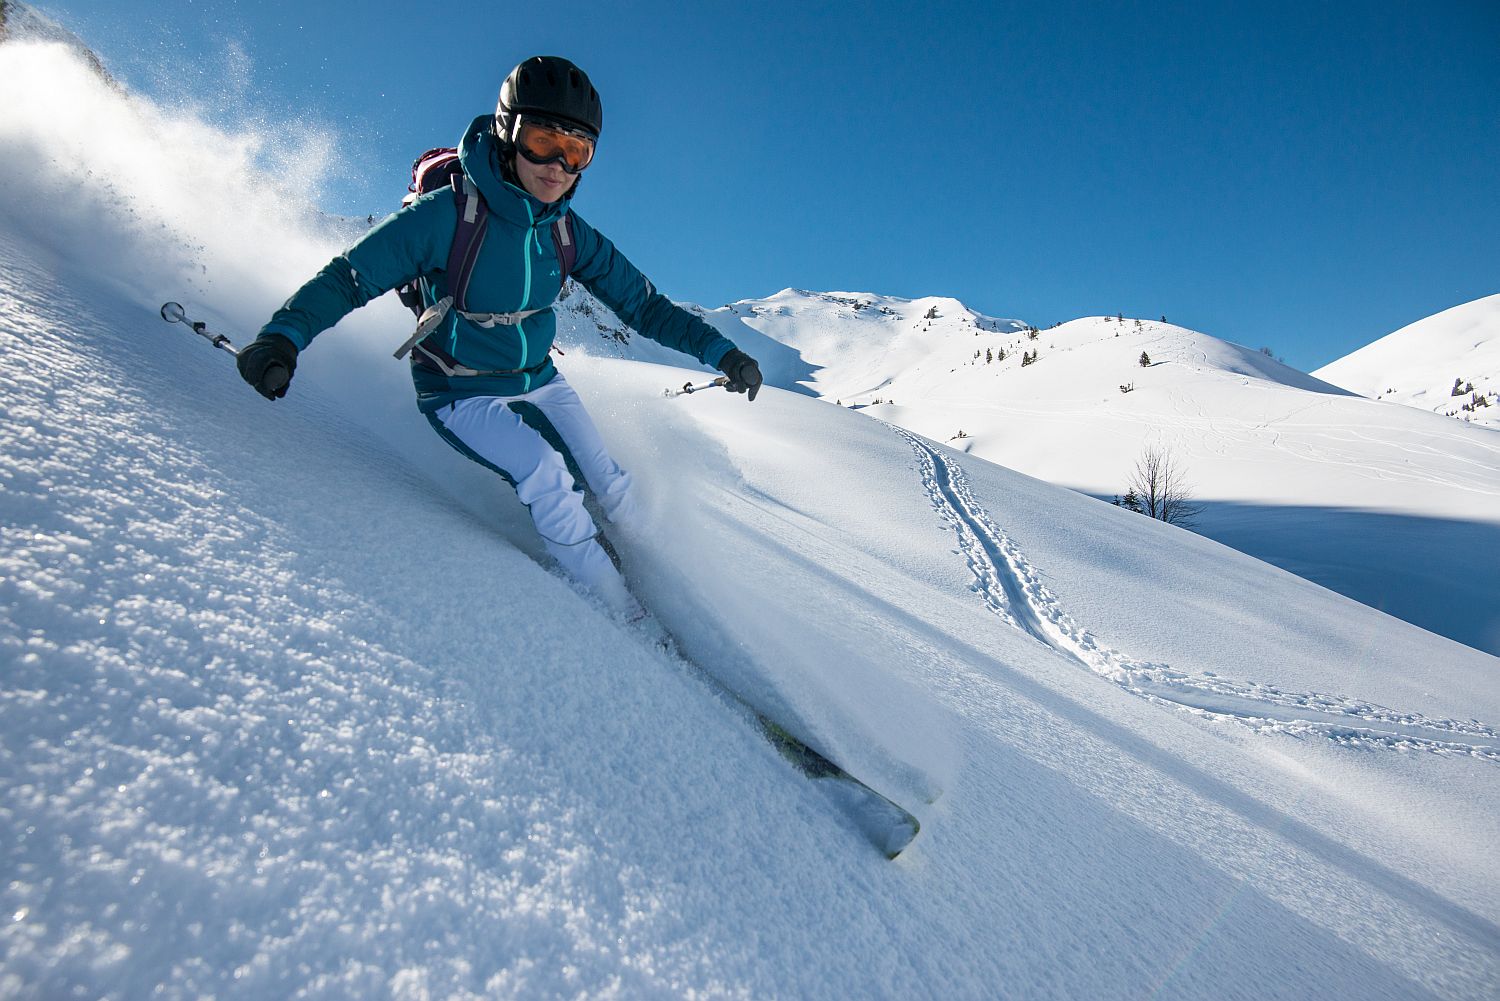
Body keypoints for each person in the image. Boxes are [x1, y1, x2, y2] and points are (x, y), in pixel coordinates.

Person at [236, 55, 763, 617]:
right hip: (458, 389)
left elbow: (643, 305)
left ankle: (674, 592)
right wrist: (283, 337)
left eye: (577, 151)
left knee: (612, 486)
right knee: (545, 475)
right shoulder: (446, 216)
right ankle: (623, 618)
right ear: (508, 132)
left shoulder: (566, 230)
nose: (558, 165)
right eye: (542, 140)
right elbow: (350, 277)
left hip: (538, 377)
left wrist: (722, 352)